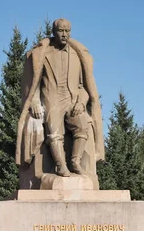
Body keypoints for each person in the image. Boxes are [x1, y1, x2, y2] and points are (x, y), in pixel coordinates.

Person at [16, 18, 105, 182]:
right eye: (61, 31)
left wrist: (82, 102)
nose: (64, 34)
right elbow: (33, 83)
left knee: (83, 125)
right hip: (52, 97)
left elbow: (83, 85)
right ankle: (60, 165)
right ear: (54, 32)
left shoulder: (77, 56)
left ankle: (75, 161)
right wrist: (35, 101)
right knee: (54, 131)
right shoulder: (44, 54)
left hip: (72, 99)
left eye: (67, 31)